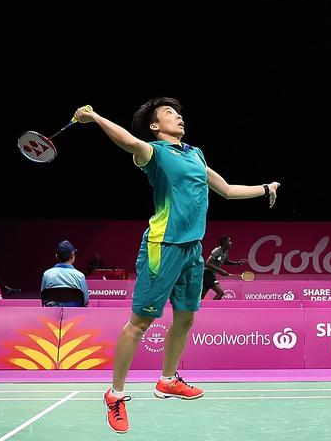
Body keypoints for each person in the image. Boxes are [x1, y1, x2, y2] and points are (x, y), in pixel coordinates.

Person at [73, 98, 279, 434]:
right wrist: (94, 117)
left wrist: (265, 188)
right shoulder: (152, 152)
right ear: (155, 126)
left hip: (193, 249)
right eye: (169, 113)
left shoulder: (195, 154)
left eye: (179, 112)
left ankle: (167, 380)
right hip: (163, 246)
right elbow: (128, 141)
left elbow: (225, 190)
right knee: (140, 324)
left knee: (185, 317)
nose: (178, 116)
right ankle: (115, 394)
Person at [42, 240, 89, 306]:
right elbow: (85, 301)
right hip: (75, 315)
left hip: (51, 314)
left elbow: (44, 298)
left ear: (56, 256)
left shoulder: (46, 274)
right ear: (72, 255)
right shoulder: (80, 276)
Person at [202, 236, 247, 300]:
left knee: (201, 297)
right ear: (224, 243)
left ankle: (199, 309)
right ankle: (213, 308)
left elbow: (226, 261)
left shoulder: (225, 251)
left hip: (210, 274)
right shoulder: (217, 251)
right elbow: (207, 263)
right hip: (207, 273)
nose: (231, 243)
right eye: (229, 241)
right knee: (220, 293)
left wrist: (238, 263)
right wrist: (221, 270)